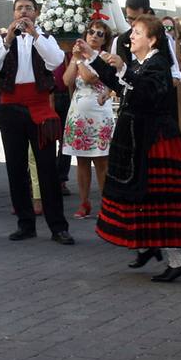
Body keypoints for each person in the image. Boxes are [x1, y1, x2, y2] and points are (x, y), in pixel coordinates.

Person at [83, 15, 181, 280]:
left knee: (159, 201)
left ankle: (178, 260)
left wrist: (124, 70)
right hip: (141, 138)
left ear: (152, 39)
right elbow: (122, 87)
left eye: (137, 32)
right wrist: (93, 58)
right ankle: (150, 246)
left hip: (155, 141)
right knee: (143, 198)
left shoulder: (159, 62)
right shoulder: (144, 62)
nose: (131, 36)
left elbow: (147, 94)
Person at [0, 0, 74, 244]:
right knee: (16, 166)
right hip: (11, 107)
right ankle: (25, 224)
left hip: (39, 107)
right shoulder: (3, 38)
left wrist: (35, 35)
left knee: (47, 168)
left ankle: (58, 226)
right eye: (19, 8)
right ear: (13, 14)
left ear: (36, 13)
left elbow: (56, 60)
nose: (23, 12)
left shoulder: (45, 37)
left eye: (28, 8)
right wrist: (8, 38)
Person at [61, 21, 116, 218]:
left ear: (104, 40)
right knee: (81, 160)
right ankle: (84, 202)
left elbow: (90, 78)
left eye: (99, 34)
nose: (93, 35)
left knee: (101, 161)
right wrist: (75, 59)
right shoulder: (78, 57)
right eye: (91, 32)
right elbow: (67, 81)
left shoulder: (104, 58)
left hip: (99, 113)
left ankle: (107, 204)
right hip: (78, 113)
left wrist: (79, 60)